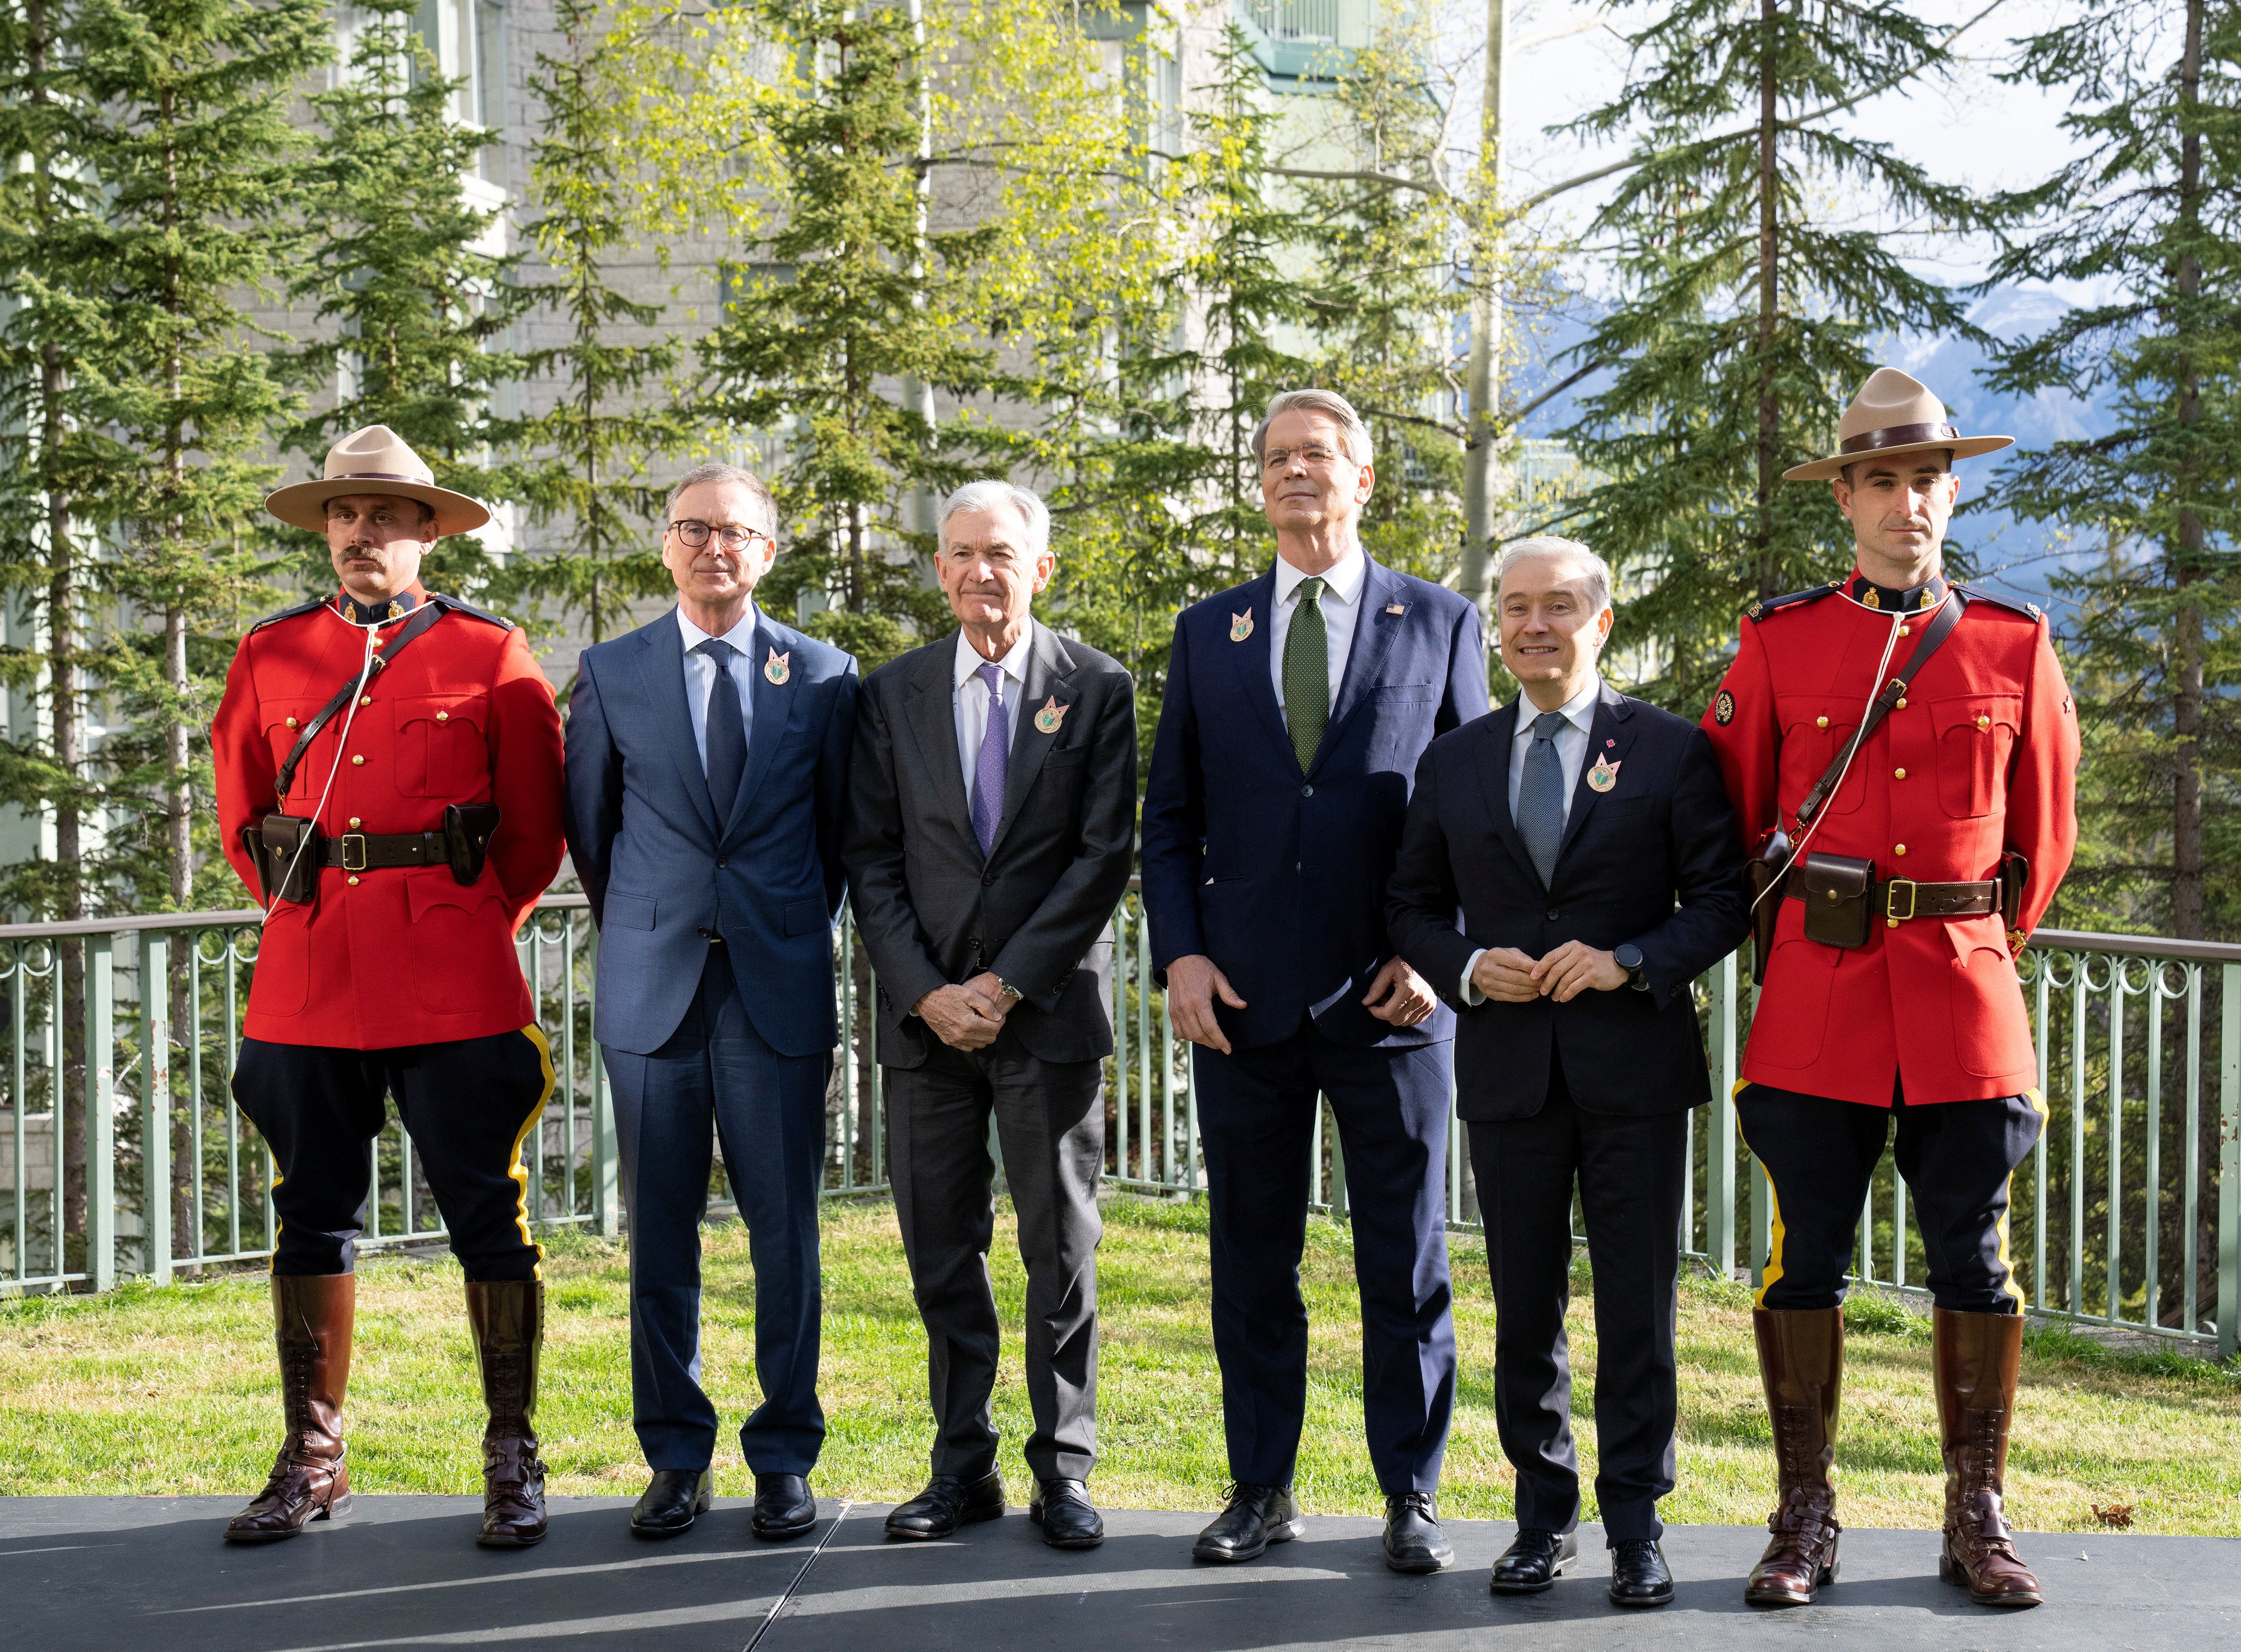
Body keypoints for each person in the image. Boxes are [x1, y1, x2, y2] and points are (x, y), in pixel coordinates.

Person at [1700, 367, 2079, 1610]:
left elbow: (2045, 841)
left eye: (1926, 479)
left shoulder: (2016, 645)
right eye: (1881, 481)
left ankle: (1976, 1516)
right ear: (1847, 499)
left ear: (1951, 492)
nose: (1906, 502)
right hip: (1818, 1004)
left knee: (1974, 1262)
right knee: (1804, 1259)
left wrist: (1974, 941)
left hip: (1966, 1004)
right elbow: (1734, 816)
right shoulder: (1782, 642)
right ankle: (1803, 1516)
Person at [1140, 388, 1490, 1572]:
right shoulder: (1210, 631)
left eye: (1321, 458)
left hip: (1391, 1002)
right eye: (1279, 457)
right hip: (1241, 1006)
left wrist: (1437, 959)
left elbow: (1476, 815)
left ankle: (1412, 1496)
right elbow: (1171, 821)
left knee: (1405, 1263)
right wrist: (1180, 955)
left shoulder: (1438, 621)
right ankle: (1260, 1489)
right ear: (1261, 482)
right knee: (1250, 1261)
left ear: (1364, 481)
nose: (1298, 474)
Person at [211, 425, 567, 1548]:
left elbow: (534, 831)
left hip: (456, 980)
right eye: (343, 515)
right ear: (326, 530)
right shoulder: (271, 656)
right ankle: (312, 1455)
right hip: (311, 979)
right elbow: (242, 816)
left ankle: (512, 1453)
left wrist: (459, 920)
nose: (360, 533)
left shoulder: (491, 655)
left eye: (384, 516)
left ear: (426, 533)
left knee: (488, 1221)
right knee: (309, 1218)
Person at [1385, 539, 1749, 1607]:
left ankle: (1638, 1525)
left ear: (1602, 622)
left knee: (1638, 1311)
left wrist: (1628, 959)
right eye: (1515, 610)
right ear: (1497, 627)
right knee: (1526, 1308)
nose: (1533, 626)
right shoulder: (1456, 761)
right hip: (1507, 1072)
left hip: (1632, 1069)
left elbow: (1723, 899)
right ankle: (1542, 1519)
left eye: (1557, 608)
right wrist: (1462, 965)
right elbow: (1408, 903)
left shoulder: (1672, 752)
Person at [562, 465, 858, 1542]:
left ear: (769, 551)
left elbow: (835, 837)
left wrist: (772, 920)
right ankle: (675, 1455)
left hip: (775, 990)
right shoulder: (613, 670)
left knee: (788, 1236)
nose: (714, 549)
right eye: (694, 530)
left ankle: (783, 1456)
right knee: (661, 1240)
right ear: (668, 544)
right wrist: (658, 918)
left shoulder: (823, 677)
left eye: (736, 533)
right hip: (654, 992)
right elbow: (591, 830)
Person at [842, 480, 1137, 1549]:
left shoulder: (1096, 687)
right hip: (927, 1028)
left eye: (1002, 554)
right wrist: (926, 990)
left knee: (1057, 1249)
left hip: (1045, 1015)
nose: (981, 573)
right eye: (962, 554)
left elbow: (1102, 857)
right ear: (940, 570)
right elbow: (870, 858)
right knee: (939, 1251)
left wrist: (1006, 985)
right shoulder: (893, 693)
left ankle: (1065, 1469)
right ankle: (961, 1465)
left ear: (1041, 568)